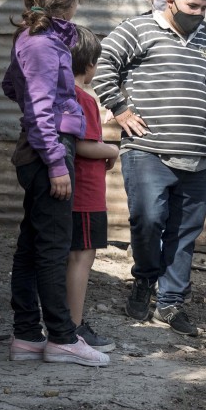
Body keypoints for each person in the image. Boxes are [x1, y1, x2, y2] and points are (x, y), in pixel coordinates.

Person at [93, 0, 206, 337]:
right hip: (146, 149)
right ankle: (145, 279)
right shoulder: (135, 30)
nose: (199, 13)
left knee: (184, 232)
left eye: (204, 7)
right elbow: (104, 69)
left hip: (195, 153)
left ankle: (171, 303)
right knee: (149, 220)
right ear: (171, 2)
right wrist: (120, 110)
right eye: (192, 6)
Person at [2, 0, 110, 366]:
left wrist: (39, 108)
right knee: (51, 249)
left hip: (38, 149)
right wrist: (58, 163)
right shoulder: (44, 45)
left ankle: (27, 336)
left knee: (31, 247)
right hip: (49, 152)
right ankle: (63, 338)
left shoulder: (32, 39)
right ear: (66, 0)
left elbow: (12, 86)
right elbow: (41, 109)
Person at [66, 25, 119, 352]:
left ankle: (65, 322)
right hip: (85, 195)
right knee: (81, 259)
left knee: (71, 258)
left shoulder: (63, 94)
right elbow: (85, 146)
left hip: (75, 192)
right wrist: (113, 150)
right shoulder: (83, 98)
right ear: (89, 66)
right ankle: (73, 328)